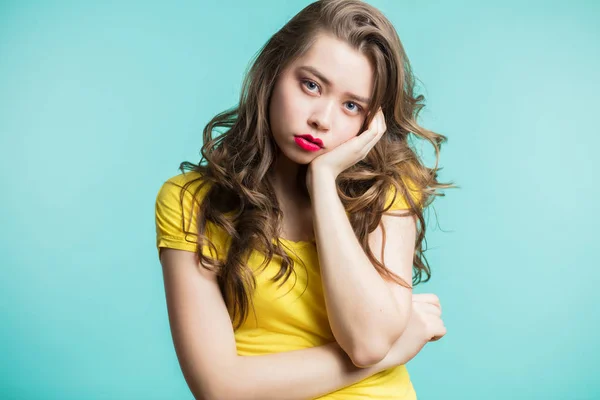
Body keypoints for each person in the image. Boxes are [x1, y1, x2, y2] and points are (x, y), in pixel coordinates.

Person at [155, 0, 454, 398]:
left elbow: (366, 341)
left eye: (352, 106)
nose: (322, 119)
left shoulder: (389, 187)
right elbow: (220, 389)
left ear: (371, 121)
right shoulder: (191, 201)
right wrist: (394, 349)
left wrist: (324, 181)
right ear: (274, 73)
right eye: (311, 85)